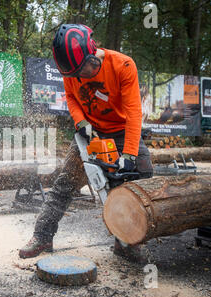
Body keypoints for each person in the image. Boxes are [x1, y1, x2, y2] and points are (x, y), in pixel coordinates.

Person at [19, 24, 154, 261]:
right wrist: (81, 122)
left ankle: (126, 241)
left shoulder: (123, 65)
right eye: (74, 74)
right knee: (64, 184)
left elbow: (134, 112)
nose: (80, 77)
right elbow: (71, 96)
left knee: (141, 176)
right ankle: (42, 236)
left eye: (85, 70)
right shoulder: (71, 69)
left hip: (122, 131)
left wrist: (130, 154)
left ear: (93, 52)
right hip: (90, 133)